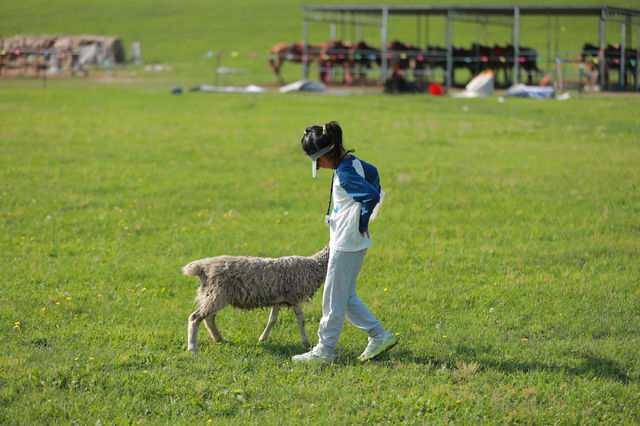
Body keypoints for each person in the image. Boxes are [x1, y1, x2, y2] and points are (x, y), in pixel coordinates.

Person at [292, 121, 398, 364]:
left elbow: (370, 195)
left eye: (316, 161)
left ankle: (324, 351)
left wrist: (362, 222)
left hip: (346, 243)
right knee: (346, 296)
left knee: (331, 297)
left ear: (326, 155)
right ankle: (379, 336)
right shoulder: (353, 163)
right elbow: (374, 175)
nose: (318, 166)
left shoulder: (346, 173)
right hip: (352, 242)